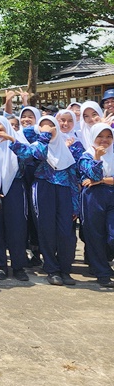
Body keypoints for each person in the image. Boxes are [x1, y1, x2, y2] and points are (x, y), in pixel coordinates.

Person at [9, 115, 79, 286]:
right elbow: (36, 155)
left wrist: (75, 206)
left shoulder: (65, 150)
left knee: (66, 232)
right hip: (43, 189)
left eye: (51, 126)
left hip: (64, 192)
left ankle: (65, 269)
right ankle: (52, 269)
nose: (48, 129)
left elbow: (73, 180)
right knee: (46, 230)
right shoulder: (36, 147)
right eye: (43, 126)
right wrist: (44, 136)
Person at [0, 116, 30, 282]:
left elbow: (28, 157)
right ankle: (0, 265)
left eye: (0, 126)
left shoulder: (17, 142)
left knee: (17, 229)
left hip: (15, 188)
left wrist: (11, 139)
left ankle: (18, 266)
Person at [78, 123, 114, 287]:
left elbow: (96, 179)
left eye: (108, 136)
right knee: (95, 235)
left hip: (110, 195)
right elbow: (93, 174)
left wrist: (100, 181)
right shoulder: (86, 156)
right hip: (93, 198)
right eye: (100, 136)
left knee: (111, 235)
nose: (104, 140)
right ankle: (102, 272)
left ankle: (105, 262)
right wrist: (97, 158)